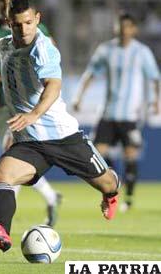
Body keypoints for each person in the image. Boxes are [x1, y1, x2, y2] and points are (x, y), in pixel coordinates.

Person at [0, 0, 120, 252]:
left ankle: (112, 194)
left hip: (63, 137)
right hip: (30, 141)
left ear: (37, 19)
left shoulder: (43, 48)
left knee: (107, 182)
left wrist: (34, 114)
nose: (24, 29)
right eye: (17, 25)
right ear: (9, 23)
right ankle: (1, 231)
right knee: (2, 175)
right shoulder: (6, 44)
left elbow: (53, 85)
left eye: (29, 23)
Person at [0, 0, 61, 227]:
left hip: (27, 104)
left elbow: (52, 55)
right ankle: (51, 197)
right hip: (2, 102)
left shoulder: (34, 27)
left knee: (12, 155)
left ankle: (1, 221)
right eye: (1, 0)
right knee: (13, 158)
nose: (4, 3)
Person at [73, 12, 160, 212]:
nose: (124, 30)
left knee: (131, 154)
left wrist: (156, 101)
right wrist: (79, 97)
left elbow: (154, 77)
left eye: (128, 27)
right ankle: (112, 188)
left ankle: (129, 198)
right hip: (108, 112)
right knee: (99, 153)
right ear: (116, 28)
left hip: (130, 114)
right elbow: (90, 73)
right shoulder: (106, 50)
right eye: (121, 27)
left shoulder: (142, 52)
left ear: (134, 29)